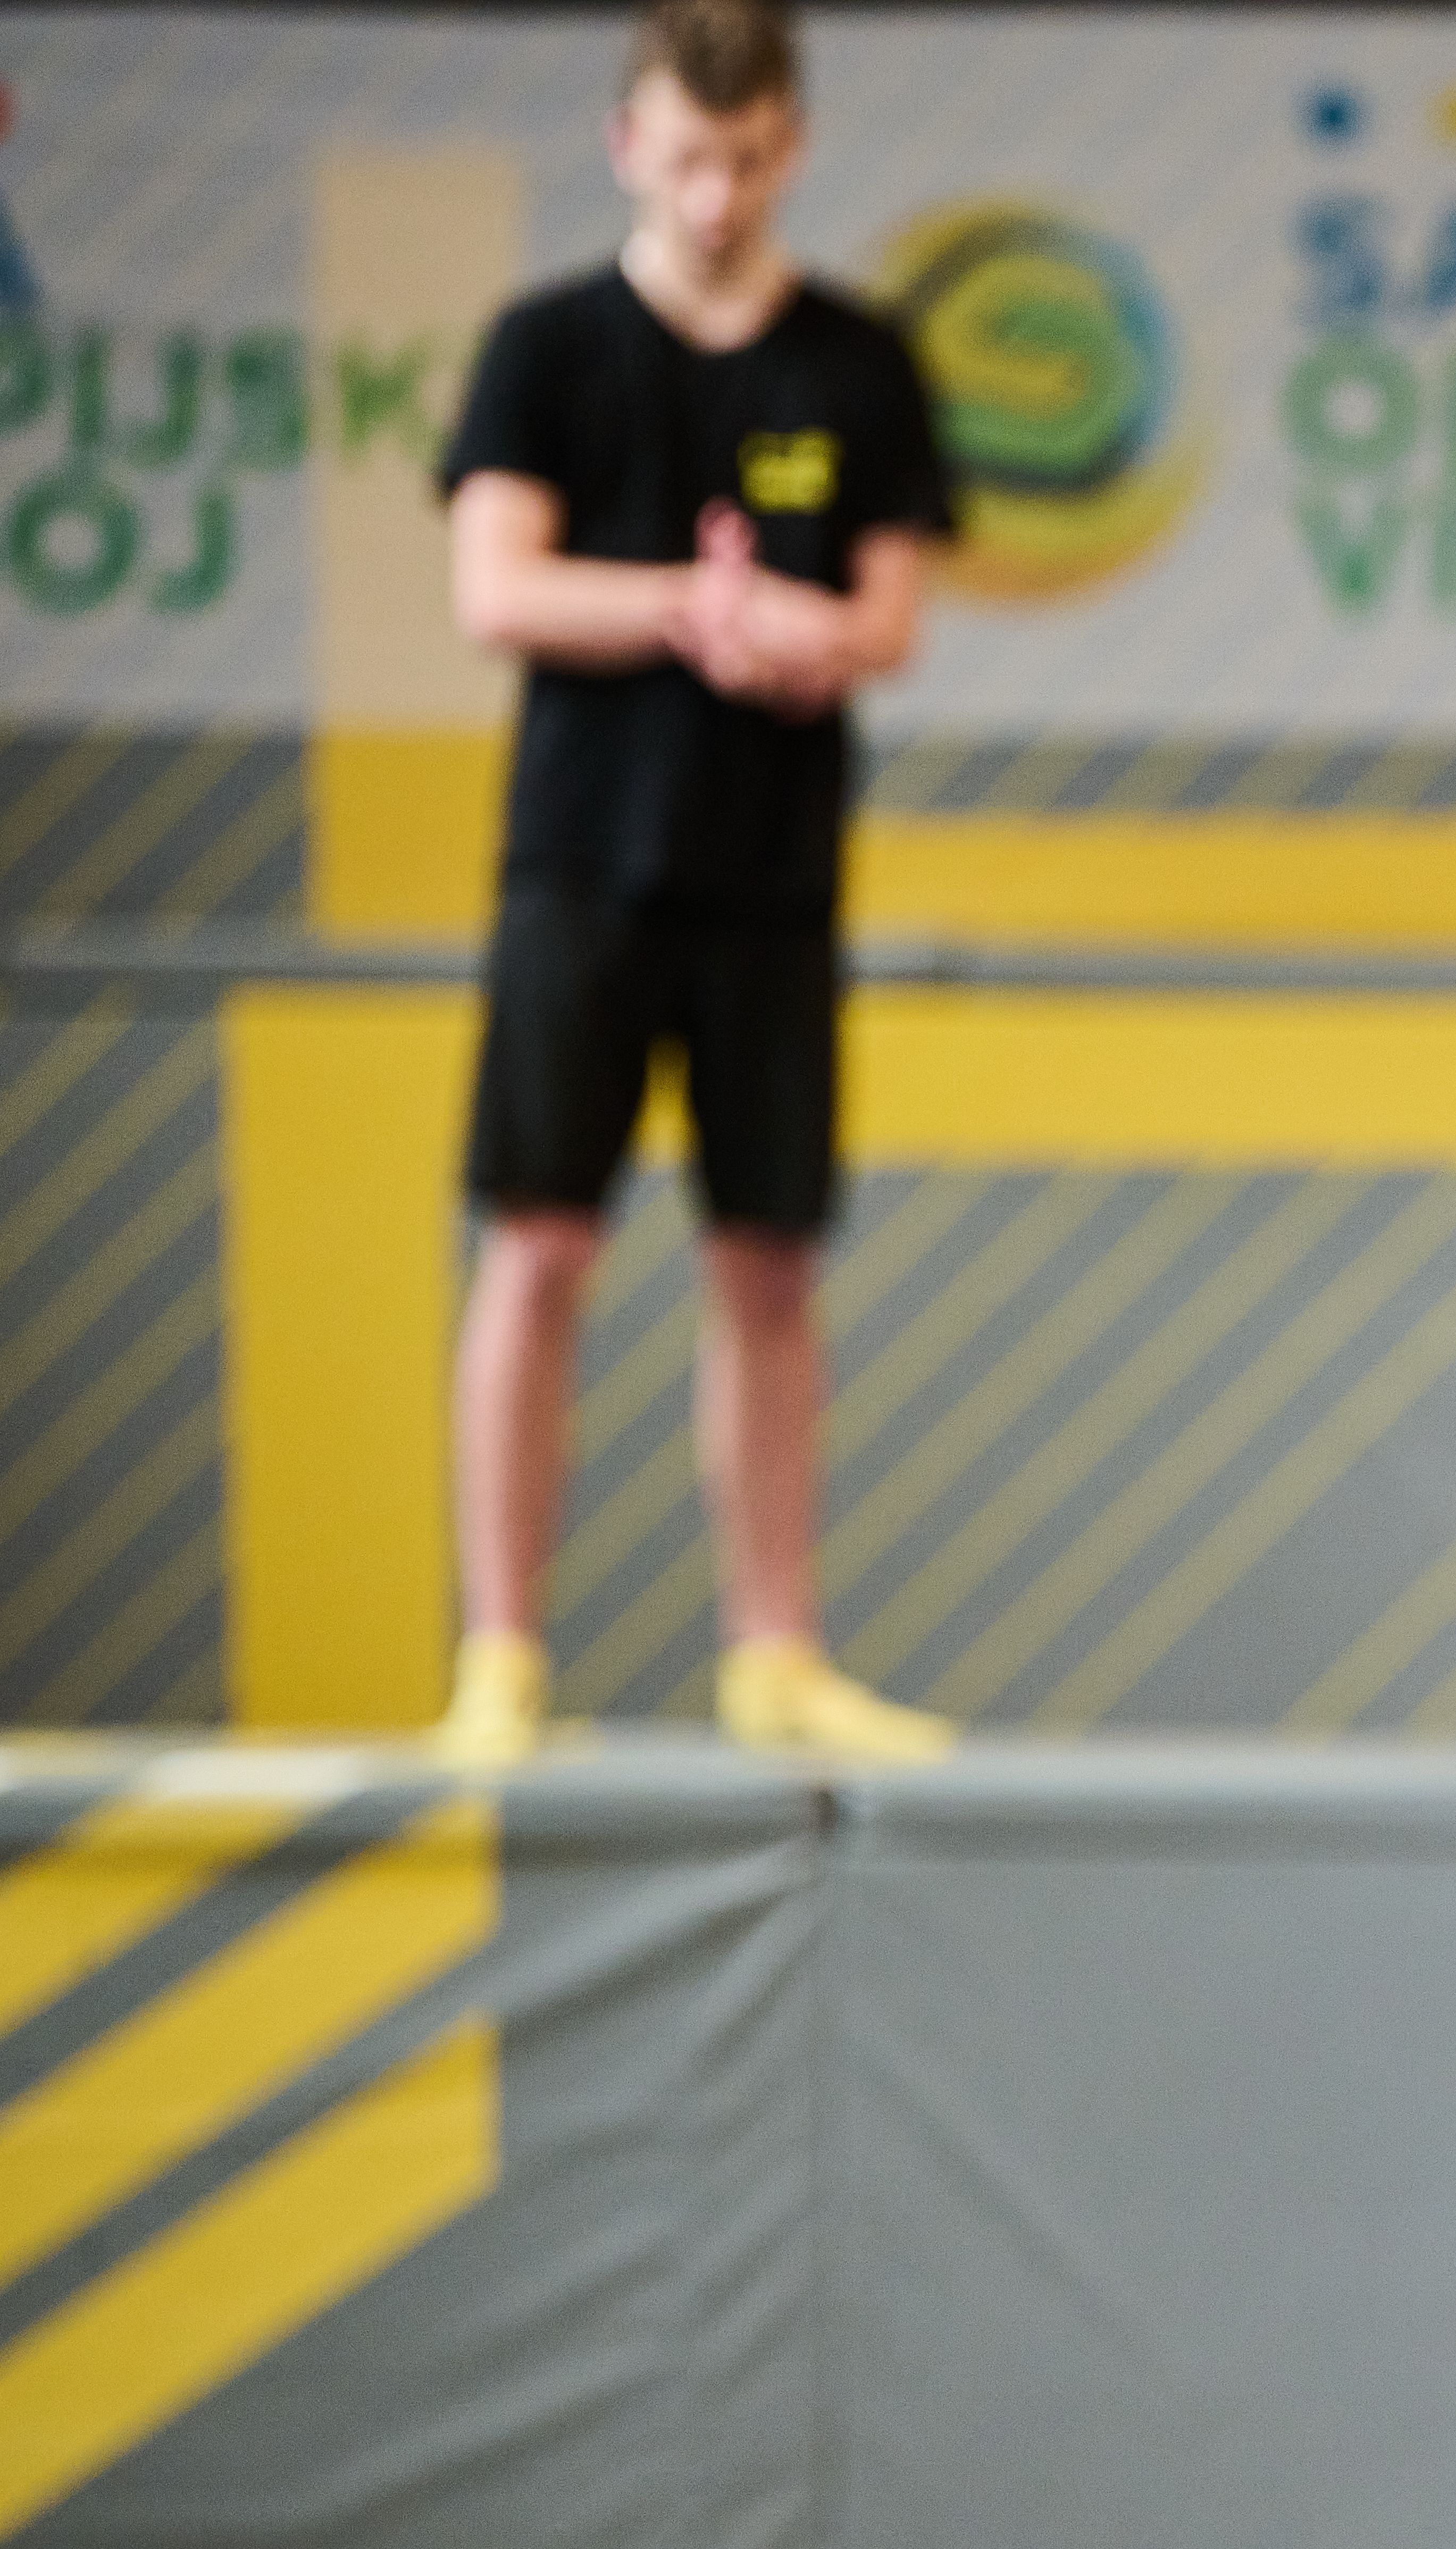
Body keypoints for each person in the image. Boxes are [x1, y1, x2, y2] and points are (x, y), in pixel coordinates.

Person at [429, 0, 955, 1766]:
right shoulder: (545, 346)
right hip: (579, 865)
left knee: (769, 1263)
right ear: (626, 146)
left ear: (788, 147)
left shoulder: (859, 362)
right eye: (684, 158)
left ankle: (775, 1652)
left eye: (744, 160)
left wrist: (803, 634)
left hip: (773, 879)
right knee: (539, 1243)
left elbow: (889, 620)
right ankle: (500, 1657)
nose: (715, 195)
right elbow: (496, 588)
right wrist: (688, 606)